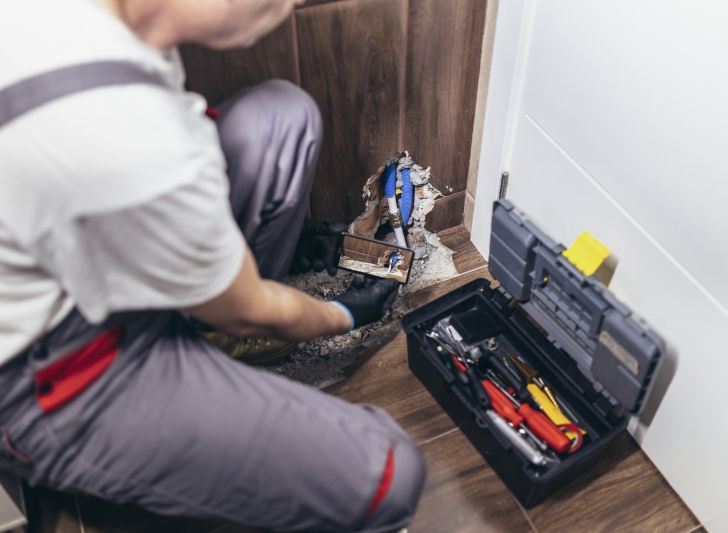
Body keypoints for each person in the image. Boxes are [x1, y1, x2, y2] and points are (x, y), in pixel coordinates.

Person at [0, 1, 426, 531]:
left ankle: (214, 333)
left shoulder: (110, 28)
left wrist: (222, 252)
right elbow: (251, 309)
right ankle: (216, 344)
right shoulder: (118, 121)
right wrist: (342, 313)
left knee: (281, 117)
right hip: (53, 372)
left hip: (80, 261)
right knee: (387, 474)